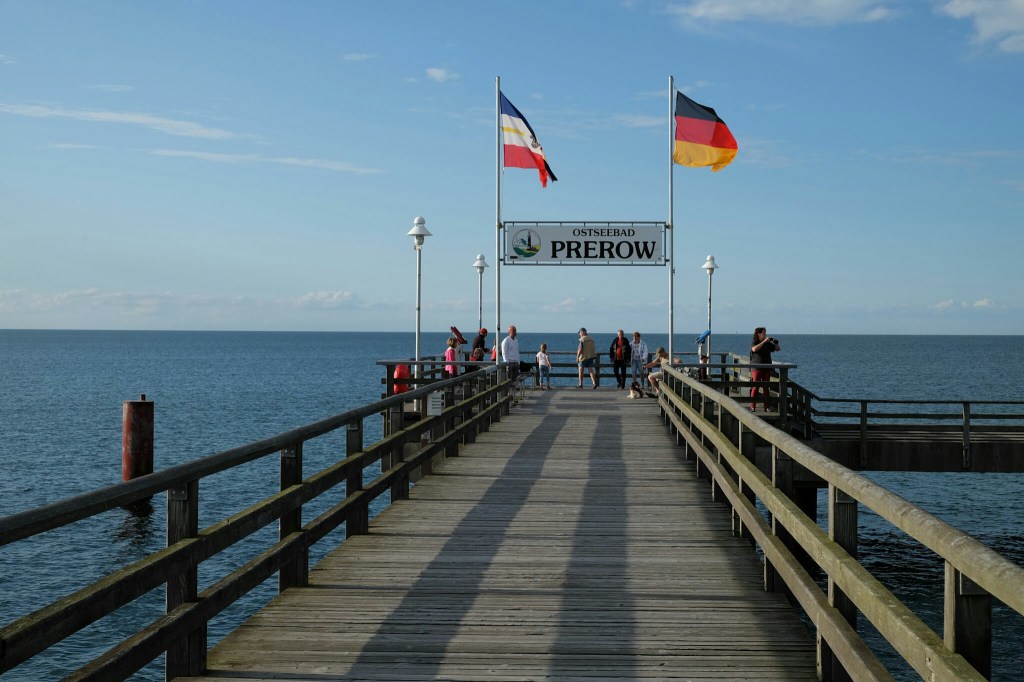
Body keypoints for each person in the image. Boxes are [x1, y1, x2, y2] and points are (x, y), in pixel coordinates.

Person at [749, 327, 781, 411]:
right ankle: (752, 406)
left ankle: (767, 406)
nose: (765, 334)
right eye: (763, 333)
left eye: (765, 333)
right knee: (755, 386)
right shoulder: (755, 341)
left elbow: (778, 349)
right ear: (758, 334)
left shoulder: (768, 343)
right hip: (757, 367)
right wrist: (764, 341)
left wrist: (775, 343)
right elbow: (754, 349)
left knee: (766, 387)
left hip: (767, 367)